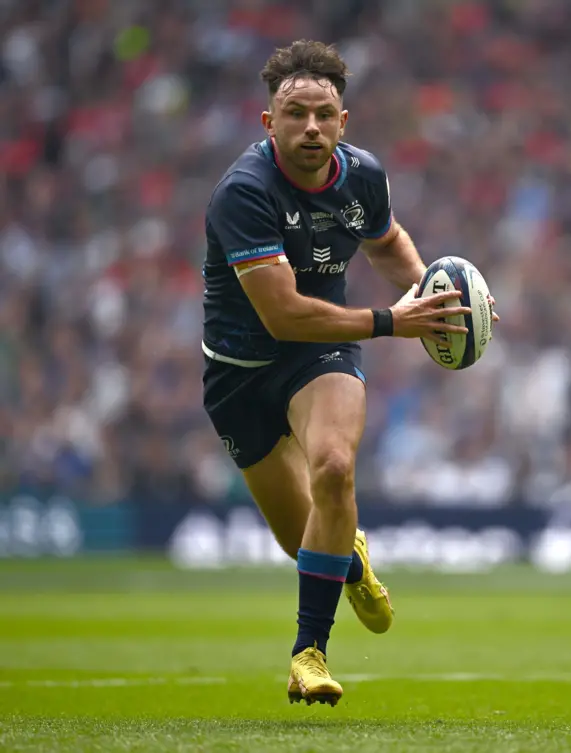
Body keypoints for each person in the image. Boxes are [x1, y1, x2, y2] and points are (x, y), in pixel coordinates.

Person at [202, 39, 492, 706]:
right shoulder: (243, 194)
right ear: (268, 123)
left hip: (321, 354)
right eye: (296, 113)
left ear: (344, 120)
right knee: (302, 538)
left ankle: (310, 653)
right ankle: (350, 557)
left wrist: (436, 299)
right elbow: (282, 315)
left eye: (324, 114)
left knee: (334, 467)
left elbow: (386, 243)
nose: (312, 127)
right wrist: (392, 321)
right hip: (242, 373)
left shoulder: (363, 177)